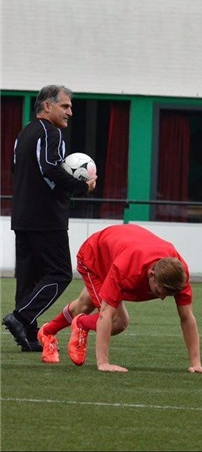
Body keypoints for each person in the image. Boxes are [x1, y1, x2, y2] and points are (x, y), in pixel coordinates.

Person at [34, 224, 202, 374]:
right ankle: (81, 323)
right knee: (118, 321)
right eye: (160, 291)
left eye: (169, 294)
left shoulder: (179, 274)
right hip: (94, 256)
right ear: (151, 275)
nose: (162, 298)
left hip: (117, 250)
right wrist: (103, 363)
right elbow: (105, 314)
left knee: (85, 303)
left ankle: (47, 332)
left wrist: (195, 363)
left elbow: (187, 317)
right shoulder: (127, 270)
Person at [3, 85, 97, 353]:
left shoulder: (23, 133)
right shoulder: (50, 132)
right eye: (65, 106)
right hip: (45, 218)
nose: (70, 112)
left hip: (23, 215)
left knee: (29, 277)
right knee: (60, 273)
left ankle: (28, 335)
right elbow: (50, 168)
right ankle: (21, 317)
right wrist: (82, 186)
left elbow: (16, 169)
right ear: (47, 106)